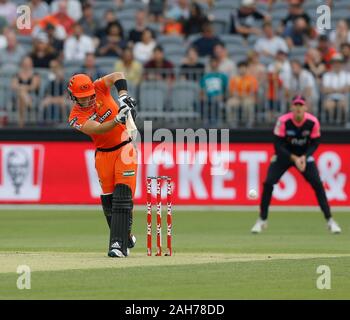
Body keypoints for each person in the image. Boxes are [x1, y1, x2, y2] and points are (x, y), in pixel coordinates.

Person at [67, 72, 138, 258]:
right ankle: (126, 236)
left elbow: (118, 75)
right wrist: (116, 120)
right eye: (83, 98)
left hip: (125, 147)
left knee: (122, 195)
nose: (89, 100)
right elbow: (97, 129)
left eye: (90, 95)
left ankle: (117, 245)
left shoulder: (99, 87)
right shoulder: (75, 116)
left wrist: (123, 97)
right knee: (109, 201)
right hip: (103, 155)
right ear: (73, 97)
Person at [251, 95, 342, 234]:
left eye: (301, 105)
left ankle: (330, 220)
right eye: (296, 105)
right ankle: (262, 220)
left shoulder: (312, 122)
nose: (298, 108)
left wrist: (304, 157)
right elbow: (278, 145)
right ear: (291, 107)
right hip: (285, 156)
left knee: (318, 184)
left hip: (304, 156)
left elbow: (315, 143)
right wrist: (294, 158)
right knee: (268, 183)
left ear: (305, 107)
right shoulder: (283, 121)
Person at [11, 56, 41, 128]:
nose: (26, 65)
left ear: (31, 64)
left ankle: (21, 124)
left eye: (28, 63)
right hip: (19, 98)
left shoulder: (35, 74)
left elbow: (34, 86)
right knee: (21, 95)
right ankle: (28, 104)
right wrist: (25, 88)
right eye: (25, 63)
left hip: (33, 97)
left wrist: (21, 87)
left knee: (21, 94)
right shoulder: (17, 74)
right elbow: (13, 86)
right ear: (22, 64)